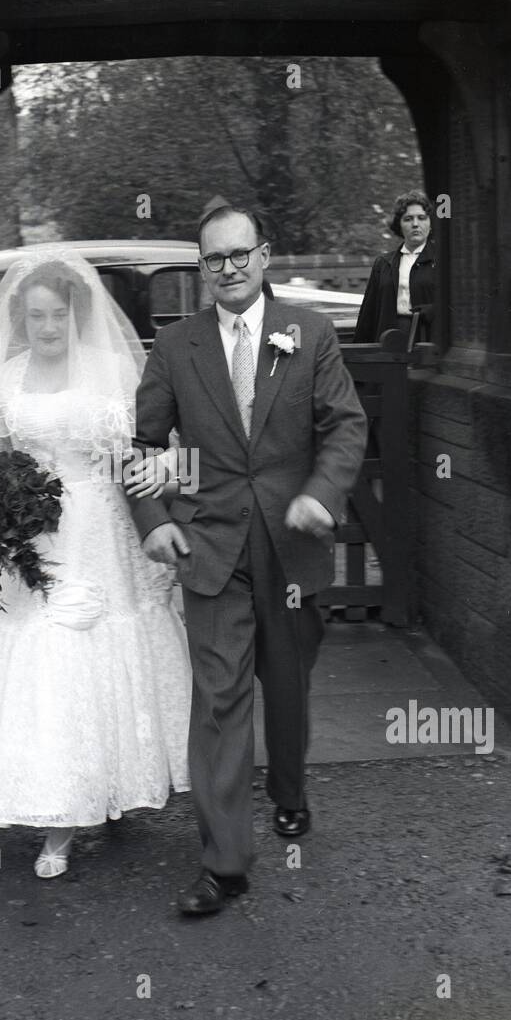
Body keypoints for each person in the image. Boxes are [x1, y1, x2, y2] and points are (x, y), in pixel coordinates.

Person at [123, 204, 367, 916]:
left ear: (264, 256)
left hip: (291, 547)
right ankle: (224, 864)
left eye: (238, 255)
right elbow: (139, 448)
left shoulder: (310, 332)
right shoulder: (175, 347)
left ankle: (288, 791)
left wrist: (322, 494)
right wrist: (153, 519)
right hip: (210, 547)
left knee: (286, 687)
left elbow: (344, 425)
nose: (226, 269)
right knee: (220, 701)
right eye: (212, 259)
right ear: (200, 268)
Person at [0, 248, 192, 878]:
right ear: (22, 320)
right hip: (36, 537)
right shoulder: (8, 376)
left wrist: (171, 483)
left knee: (106, 641)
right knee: (44, 652)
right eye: (37, 317)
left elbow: (154, 457)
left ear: (77, 315)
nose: (48, 328)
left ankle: (114, 788)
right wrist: (0, 507)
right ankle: (58, 816)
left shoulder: (114, 372)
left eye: (58, 316)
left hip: (101, 530)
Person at [354, 191, 438, 344]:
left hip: (426, 338)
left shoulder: (441, 262)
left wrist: (434, 310)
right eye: (408, 219)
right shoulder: (383, 262)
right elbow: (369, 312)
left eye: (421, 218)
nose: (415, 224)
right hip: (388, 337)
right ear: (399, 225)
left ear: (430, 223)